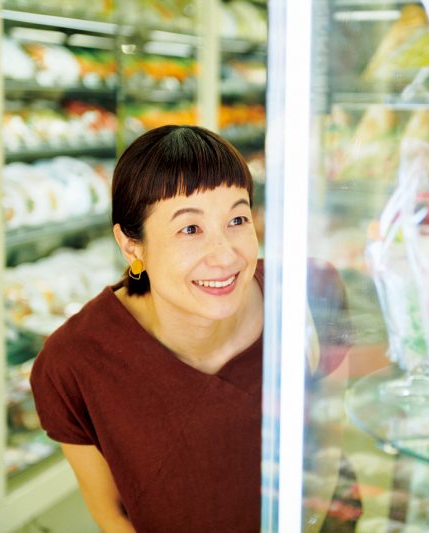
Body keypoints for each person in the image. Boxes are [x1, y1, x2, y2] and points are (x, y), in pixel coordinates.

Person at [30, 125, 360, 532]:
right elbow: (110, 513)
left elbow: (326, 447)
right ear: (132, 245)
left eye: (237, 219)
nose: (224, 255)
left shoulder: (312, 294)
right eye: (190, 228)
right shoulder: (75, 362)